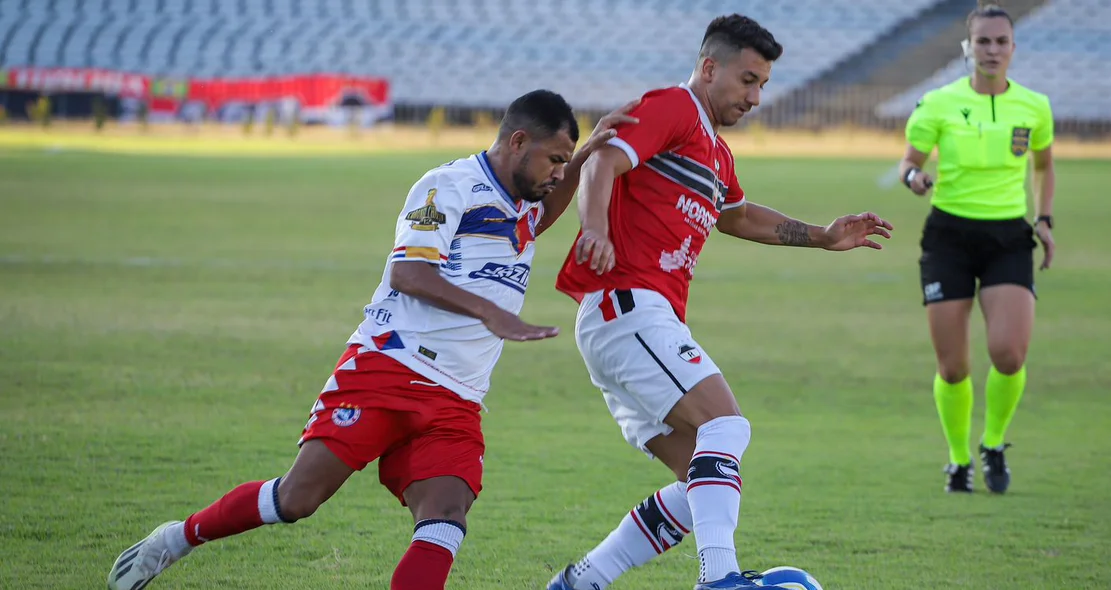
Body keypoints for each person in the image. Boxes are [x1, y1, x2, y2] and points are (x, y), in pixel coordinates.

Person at [106, 90, 639, 590]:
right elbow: (409, 273)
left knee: (447, 516)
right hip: (389, 369)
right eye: (554, 159)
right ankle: (177, 539)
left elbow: (542, 215)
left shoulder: (524, 204)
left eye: (565, 162)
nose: (558, 173)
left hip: (458, 399)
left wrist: (589, 151)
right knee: (296, 500)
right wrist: (491, 313)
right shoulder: (447, 186)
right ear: (517, 141)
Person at [546, 14, 894, 590]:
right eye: (748, 80)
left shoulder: (715, 153)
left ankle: (581, 581)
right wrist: (595, 228)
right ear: (710, 68)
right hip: (628, 306)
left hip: (627, 324)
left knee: (702, 484)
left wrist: (824, 235)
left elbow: (740, 215)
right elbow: (604, 160)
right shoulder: (673, 108)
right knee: (727, 428)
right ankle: (719, 579)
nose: (756, 97)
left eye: (763, 85)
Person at [896, 1, 1056, 494]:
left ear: (1012, 47)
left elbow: (1044, 166)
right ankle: (958, 459)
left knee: (1008, 354)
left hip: (1008, 237)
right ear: (969, 48)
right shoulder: (938, 103)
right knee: (954, 366)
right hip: (949, 237)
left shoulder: (1034, 106)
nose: (991, 50)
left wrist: (1044, 219)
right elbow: (906, 163)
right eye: (982, 41)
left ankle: (992, 444)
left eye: (1000, 41)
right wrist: (915, 178)